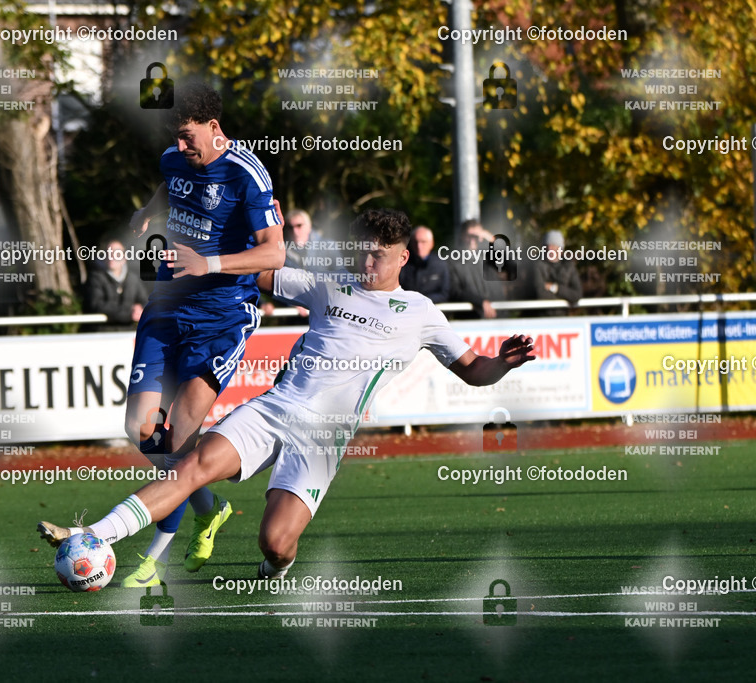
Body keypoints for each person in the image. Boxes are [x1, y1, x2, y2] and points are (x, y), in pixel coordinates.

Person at [38, 209, 535, 579]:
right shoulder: (328, 285)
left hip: (324, 436)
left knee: (275, 543)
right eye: (360, 248)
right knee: (190, 465)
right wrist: (208, 256)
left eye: (378, 254)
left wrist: (501, 364)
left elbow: (473, 370)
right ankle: (95, 536)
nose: (366, 259)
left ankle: (276, 567)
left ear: (403, 257)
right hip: (274, 408)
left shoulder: (422, 311)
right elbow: (260, 270)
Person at [40, 83, 284, 587]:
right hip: (168, 305)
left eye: (189, 136)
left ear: (214, 128)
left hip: (221, 318)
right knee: (139, 426)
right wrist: (149, 210)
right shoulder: (174, 160)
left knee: (179, 440)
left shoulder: (247, 175)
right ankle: (207, 506)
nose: (181, 146)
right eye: (175, 137)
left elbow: (275, 254)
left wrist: (209, 262)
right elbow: (169, 184)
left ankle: (153, 556)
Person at [84, 238, 150, 331]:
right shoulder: (95, 278)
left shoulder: (133, 280)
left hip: (127, 334)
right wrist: (129, 313)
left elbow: (145, 302)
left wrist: (140, 310)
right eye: (109, 253)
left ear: (124, 258)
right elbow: (96, 305)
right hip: (102, 335)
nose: (112, 256)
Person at [447, 219, 501, 319]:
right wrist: (480, 301)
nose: (473, 240)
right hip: (470, 319)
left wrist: (492, 240)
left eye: (476, 236)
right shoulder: (453, 261)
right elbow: (454, 291)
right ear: (462, 236)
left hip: (498, 318)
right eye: (469, 236)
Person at [531, 230, 582, 314]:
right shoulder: (537, 265)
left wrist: (555, 288)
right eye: (547, 245)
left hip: (562, 319)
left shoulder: (569, 266)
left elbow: (577, 295)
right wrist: (566, 296)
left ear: (560, 249)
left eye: (554, 245)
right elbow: (539, 294)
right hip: (540, 319)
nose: (550, 248)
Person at [399, 225, 449, 303]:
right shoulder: (402, 264)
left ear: (432, 243)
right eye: (416, 242)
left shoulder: (441, 265)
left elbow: (445, 293)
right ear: (411, 243)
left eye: (423, 242)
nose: (419, 246)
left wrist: (422, 300)